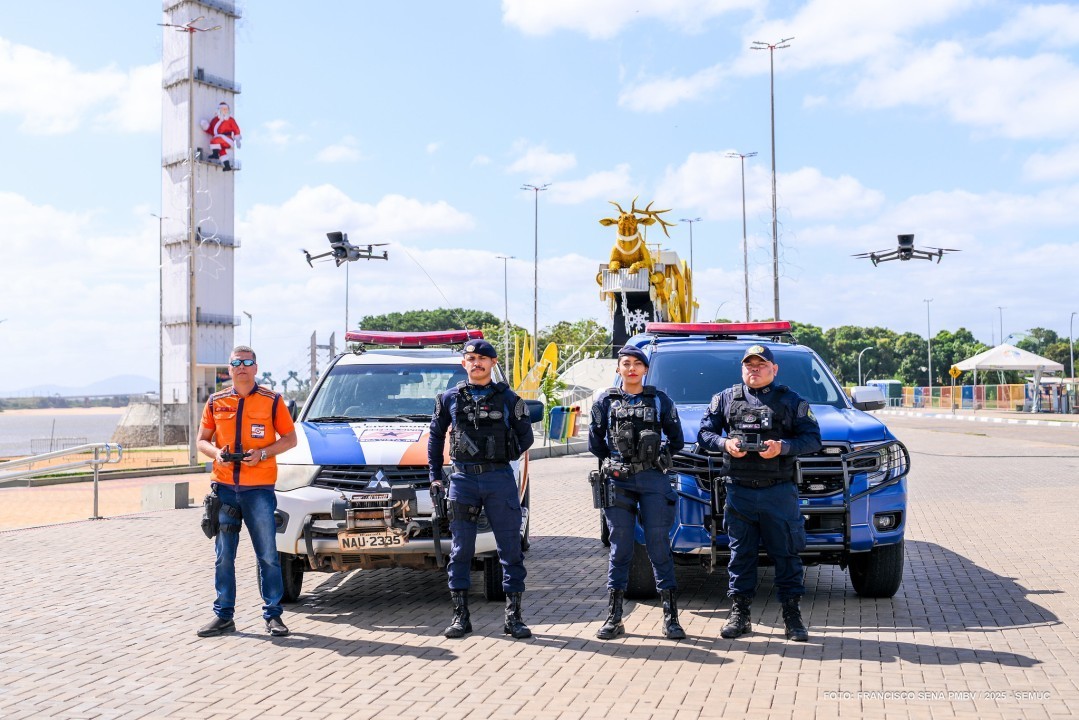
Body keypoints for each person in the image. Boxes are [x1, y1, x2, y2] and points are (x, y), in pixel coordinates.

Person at [697, 344, 822, 642]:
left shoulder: (792, 401)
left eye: (761, 364)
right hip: (739, 491)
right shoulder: (725, 399)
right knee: (741, 556)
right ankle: (740, 615)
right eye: (749, 364)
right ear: (742, 368)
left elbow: (813, 439)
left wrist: (784, 448)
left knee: (788, 555)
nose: (754, 369)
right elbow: (704, 433)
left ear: (774, 369)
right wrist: (725, 444)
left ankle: (792, 617)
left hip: (778, 492)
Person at [428, 339, 535, 639]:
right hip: (462, 481)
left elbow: (526, 438)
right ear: (464, 363)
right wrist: (435, 477)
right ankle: (461, 617)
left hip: (499, 478)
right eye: (471, 358)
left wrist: (500, 451)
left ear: (493, 363)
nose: (477, 363)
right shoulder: (450, 397)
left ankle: (513, 618)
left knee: (510, 549)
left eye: (483, 358)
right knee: (461, 550)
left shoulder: (509, 399)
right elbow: (436, 439)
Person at [196, 345, 297, 638]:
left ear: (256, 367)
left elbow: (290, 439)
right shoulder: (216, 402)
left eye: (247, 362)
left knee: (267, 555)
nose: (241, 367)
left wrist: (262, 454)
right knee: (223, 556)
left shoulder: (272, 401)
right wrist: (216, 453)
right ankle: (223, 616)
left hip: (259, 492)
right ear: (229, 369)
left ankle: (273, 616)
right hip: (225, 489)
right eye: (236, 362)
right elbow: (202, 440)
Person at [588, 345, 686, 640]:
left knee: (658, 546)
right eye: (625, 364)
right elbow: (596, 443)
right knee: (620, 548)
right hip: (619, 482)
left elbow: (677, 440)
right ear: (618, 369)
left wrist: (657, 455)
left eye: (637, 364)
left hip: (653, 479)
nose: (631, 369)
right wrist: (616, 462)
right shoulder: (605, 401)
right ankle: (614, 618)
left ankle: (671, 620)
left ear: (645, 369)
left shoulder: (659, 400)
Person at [200, 101, 241, 171]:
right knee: (222, 151)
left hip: (228, 139)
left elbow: (236, 129)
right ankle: (227, 166)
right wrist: (205, 126)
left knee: (214, 140)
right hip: (220, 141)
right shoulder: (215, 120)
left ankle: (215, 154)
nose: (225, 111)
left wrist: (237, 140)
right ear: (219, 110)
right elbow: (211, 131)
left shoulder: (230, 120)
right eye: (223, 109)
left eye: (226, 109)